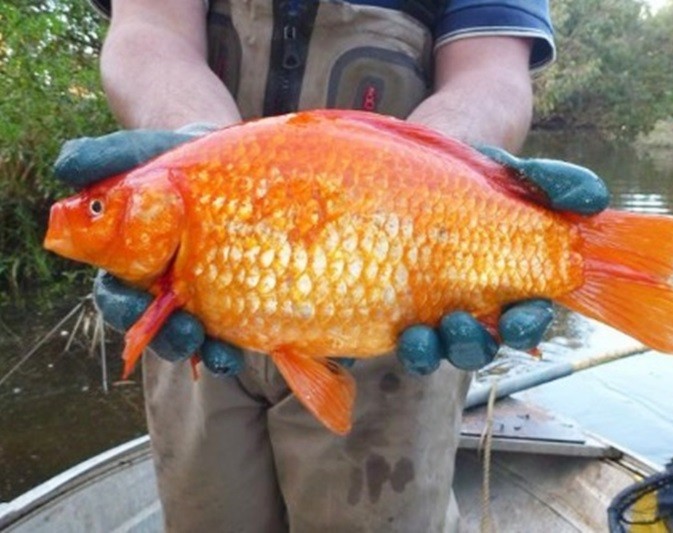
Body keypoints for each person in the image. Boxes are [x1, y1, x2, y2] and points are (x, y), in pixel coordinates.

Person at [55, 0, 607, 530]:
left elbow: (490, 71)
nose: (82, 217)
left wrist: (446, 169)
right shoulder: (181, 205)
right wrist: (192, 142)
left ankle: (584, 262)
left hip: (397, 312)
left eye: (101, 209)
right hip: (198, 338)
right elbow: (150, 27)